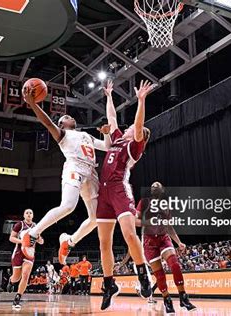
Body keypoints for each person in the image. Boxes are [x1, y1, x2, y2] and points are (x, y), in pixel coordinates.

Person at [21, 87, 111, 264]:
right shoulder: (63, 135)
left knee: (96, 218)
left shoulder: (86, 136)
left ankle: (69, 241)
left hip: (91, 172)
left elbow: (107, 147)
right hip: (74, 167)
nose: (71, 117)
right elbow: (47, 123)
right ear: (61, 125)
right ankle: (32, 233)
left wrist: (107, 134)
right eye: (66, 117)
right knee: (68, 206)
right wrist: (33, 104)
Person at [96, 80, 154, 310]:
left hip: (119, 189)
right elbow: (111, 119)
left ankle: (142, 275)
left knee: (129, 234)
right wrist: (109, 96)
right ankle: (109, 284)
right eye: (128, 127)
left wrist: (141, 100)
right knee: (103, 242)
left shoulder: (134, 146)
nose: (128, 127)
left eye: (131, 127)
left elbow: (139, 127)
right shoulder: (118, 138)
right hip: (103, 193)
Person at [136, 182, 196, 313]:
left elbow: (169, 227)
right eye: (152, 185)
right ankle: (167, 300)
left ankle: (183, 297)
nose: (154, 185)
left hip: (163, 238)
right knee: (160, 276)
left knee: (175, 265)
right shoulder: (144, 202)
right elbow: (135, 221)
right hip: (149, 242)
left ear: (162, 190)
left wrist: (179, 243)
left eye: (157, 185)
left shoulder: (167, 206)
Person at [8, 209, 44, 310]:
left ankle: (17, 298)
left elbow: (40, 240)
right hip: (19, 252)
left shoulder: (36, 226)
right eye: (27, 213)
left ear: (33, 215)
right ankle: (11, 281)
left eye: (30, 213)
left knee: (25, 275)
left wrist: (40, 240)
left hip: (29, 253)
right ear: (24, 215)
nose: (29, 214)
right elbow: (11, 238)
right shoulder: (19, 225)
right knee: (16, 277)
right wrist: (22, 241)